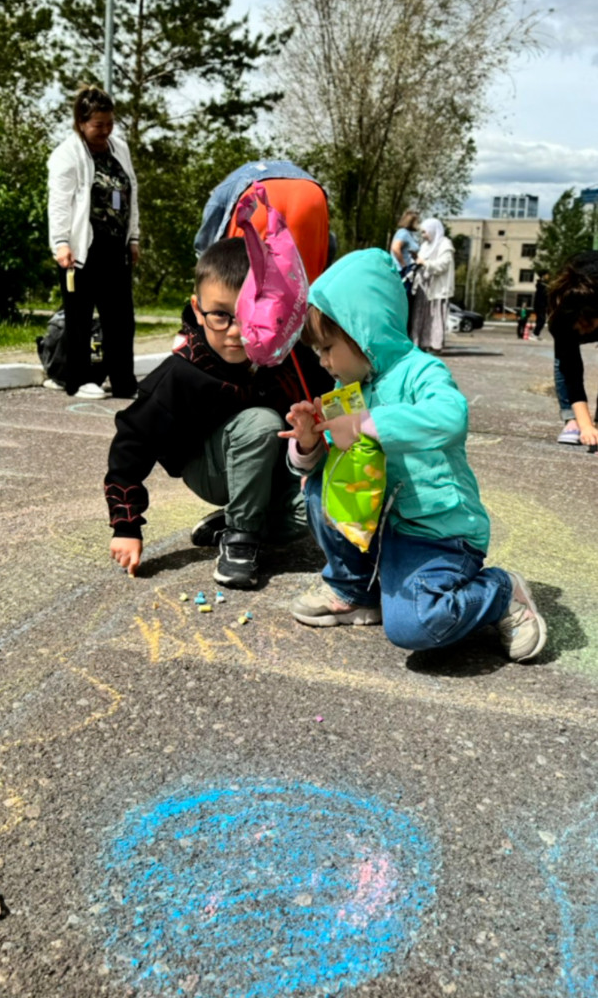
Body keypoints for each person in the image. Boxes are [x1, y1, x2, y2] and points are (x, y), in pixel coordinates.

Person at [280, 248, 547, 662]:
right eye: (318, 351)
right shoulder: (346, 390)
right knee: (319, 486)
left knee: (416, 625)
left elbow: (451, 417)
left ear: (363, 331)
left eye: (328, 347)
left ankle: (499, 592)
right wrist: (308, 444)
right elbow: (334, 468)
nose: (323, 360)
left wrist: (367, 423)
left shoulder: (421, 371)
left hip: (437, 532)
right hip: (386, 530)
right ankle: (354, 590)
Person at [105, 238, 332, 588]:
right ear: (198, 310)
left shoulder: (285, 356)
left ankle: (235, 521)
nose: (237, 332)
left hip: (276, 469)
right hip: (212, 469)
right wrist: (126, 526)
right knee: (261, 423)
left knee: (323, 507)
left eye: (250, 316)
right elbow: (132, 442)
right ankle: (240, 538)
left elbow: (330, 398)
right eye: (221, 316)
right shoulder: (182, 372)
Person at [47, 85, 139, 399]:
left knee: (121, 319)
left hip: (116, 247)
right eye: (98, 125)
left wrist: (134, 237)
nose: (105, 130)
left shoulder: (119, 148)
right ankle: (78, 380)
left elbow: (131, 192)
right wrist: (61, 243)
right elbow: (59, 204)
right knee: (79, 318)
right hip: (81, 249)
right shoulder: (67, 154)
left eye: (109, 123)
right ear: (81, 123)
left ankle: (124, 381)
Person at [194, 160, 331, 284]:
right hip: (311, 192)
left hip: (257, 194)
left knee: (240, 285)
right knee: (306, 283)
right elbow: (328, 244)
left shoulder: (223, 188)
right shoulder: (233, 181)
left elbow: (206, 247)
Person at [548, 250, 598, 448]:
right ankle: (572, 418)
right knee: (564, 362)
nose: (582, 332)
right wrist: (585, 425)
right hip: (574, 307)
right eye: (577, 327)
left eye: (586, 325)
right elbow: (572, 372)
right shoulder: (561, 319)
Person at [409, 218, 455, 354]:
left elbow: (443, 265)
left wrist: (425, 263)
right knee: (420, 315)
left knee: (435, 316)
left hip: (437, 287)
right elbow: (420, 260)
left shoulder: (445, 245)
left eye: (425, 232)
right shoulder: (425, 246)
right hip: (423, 287)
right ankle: (419, 342)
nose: (423, 235)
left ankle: (435, 344)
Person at [532, 270, 549, 340]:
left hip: (542, 305)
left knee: (540, 320)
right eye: (547, 274)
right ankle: (534, 334)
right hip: (539, 305)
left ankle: (535, 334)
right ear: (543, 276)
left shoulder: (543, 284)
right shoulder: (541, 284)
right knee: (542, 320)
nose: (548, 276)